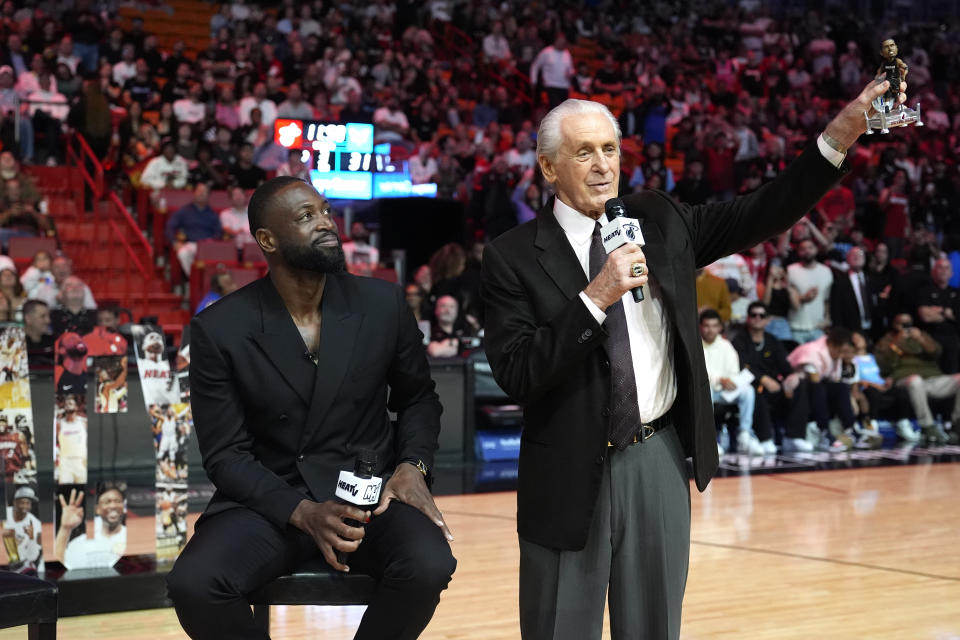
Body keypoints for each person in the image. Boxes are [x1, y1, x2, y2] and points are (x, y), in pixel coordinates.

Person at [481, 77, 889, 638]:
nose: (602, 165)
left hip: (658, 458)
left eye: (609, 150)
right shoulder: (510, 257)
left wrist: (837, 137)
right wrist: (597, 295)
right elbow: (518, 373)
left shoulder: (659, 220)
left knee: (655, 627)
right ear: (549, 168)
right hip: (569, 469)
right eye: (583, 152)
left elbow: (760, 212)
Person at [165, 176, 456, 640]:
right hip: (270, 499)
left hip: (367, 495)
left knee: (429, 563)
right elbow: (225, 456)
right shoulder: (220, 328)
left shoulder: (381, 303)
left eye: (323, 211)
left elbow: (419, 398)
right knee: (195, 584)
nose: (326, 224)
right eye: (306, 217)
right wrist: (301, 511)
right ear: (267, 240)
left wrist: (412, 465)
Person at [732, 301, 805, 453]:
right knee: (754, 391)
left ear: (767, 320)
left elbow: (784, 365)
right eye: (753, 315)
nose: (757, 318)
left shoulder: (772, 340)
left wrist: (791, 377)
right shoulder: (739, 340)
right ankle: (765, 438)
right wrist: (763, 379)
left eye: (761, 315)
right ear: (748, 318)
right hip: (753, 385)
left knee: (800, 385)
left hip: (775, 387)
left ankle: (793, 437)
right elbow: (741, 367)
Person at [874, 313, 955, 444]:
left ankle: (957, 426)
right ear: (894, 325)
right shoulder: (887, 340)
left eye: (908, 324)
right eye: (901, 323)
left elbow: (937, 353)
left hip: (931, 379)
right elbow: (884, 365)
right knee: (915, 380)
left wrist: (921, 339)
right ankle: (928, 427)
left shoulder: (921, 335)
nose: (905, 327)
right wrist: (896, 342)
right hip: (906, 381)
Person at [699, 309, 762, 455]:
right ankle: (709, 439)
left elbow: (733, 371)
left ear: (720, 327)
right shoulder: (696, 346)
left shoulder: (726, 346)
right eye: (707, 325)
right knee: (705, 388)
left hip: (724, 390)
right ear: (700, 327)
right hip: (707, 390)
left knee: (748, 390)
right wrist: (720, 380)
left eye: (714, 326)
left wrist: (731, 381)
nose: (710, 330)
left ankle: (745, 434)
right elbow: (699, 371)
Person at [55, 486, 127, 570]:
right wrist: (65, 529)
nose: (113, 505)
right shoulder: (78, 544)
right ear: (97, 509)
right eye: (107, 502)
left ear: (124, 506)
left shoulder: (134, 538)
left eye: (117, 501)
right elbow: (59, 567)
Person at [165, 183, 223, 276]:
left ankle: (207, 281)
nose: (201, 193)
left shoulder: (213, 214)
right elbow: (170, 226)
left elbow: (218, 232)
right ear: (194, 193)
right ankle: (194, 279)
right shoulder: (184, 211)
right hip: (191, 244)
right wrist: (175, 242)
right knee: (183, 253)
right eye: (199, 190)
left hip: (208, 245)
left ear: (208, 196)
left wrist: (212, 242)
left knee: (221, 259)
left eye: (204, 192)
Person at [916, 258, 960, 374]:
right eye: (940, 267)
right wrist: (948, 313)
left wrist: (939, 311)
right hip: (931, 339)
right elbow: (925, 316)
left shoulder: (957, 293)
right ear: (933, 271)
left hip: (953, 341)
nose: (944, 271)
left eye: (947, 268)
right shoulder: (924, 291)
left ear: (951, 273)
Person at [787, 238, 833, 344]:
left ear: (816, 249)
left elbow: (827, 299)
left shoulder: (826, 271)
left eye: (810, 247)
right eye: (803, 249)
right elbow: (786, 299)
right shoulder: (791, 270)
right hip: (796, 327)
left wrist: (827, 318)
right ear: (798, 252)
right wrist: (803, 298)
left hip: (818, 327)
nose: (807, 251)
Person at [2, 485, 42, 573]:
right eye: (22, 502)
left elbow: (33, 557)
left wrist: (31, 538)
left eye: (28, 503)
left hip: (21, 567)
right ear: (14, 502)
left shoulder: (36, 524)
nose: (25, 506)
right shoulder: (4, 513)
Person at [55, 395, 87, 485]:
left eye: (70, 403)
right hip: (66, 462)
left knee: (81, 487)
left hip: (81, 461)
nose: (67, 405)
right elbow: (55, 442)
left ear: (76, 407)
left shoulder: (84, 422)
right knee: (65, 488)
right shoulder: (59, 424)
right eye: (66, 404)